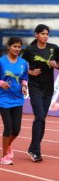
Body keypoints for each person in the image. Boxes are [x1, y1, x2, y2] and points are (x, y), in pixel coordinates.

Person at [22, 24, 59, 162]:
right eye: (43, 33)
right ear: (36, 35)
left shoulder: (53, 48)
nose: (45, 36)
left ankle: (33, 148)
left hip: (48, 88)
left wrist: (56, 65)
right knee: (39, 116)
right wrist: (30, 72)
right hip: (35, 87)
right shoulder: (30, 50)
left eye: (47, 34)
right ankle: (36, 150)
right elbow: (20, 66)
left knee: (42, 119)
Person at [0, 37, 28, 165]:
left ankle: (8, 145)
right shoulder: (1, 62)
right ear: (9, 47)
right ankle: (5, 156)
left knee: (16, 130)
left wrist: (24, 86)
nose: (17, 49)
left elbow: (24, 77)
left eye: (19, 47)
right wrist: (1, 83)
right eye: (14, 46)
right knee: (8, 127)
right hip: (4, 99)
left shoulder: (23, 63)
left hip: (18, 99)